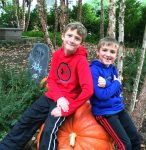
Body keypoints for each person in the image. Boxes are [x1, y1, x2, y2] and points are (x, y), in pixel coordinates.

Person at [0, 22, 93, 150]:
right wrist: (59, 97)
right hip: (52, 96)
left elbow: (88, 90)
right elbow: (51, 80)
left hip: (67, 102)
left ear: (81, 43)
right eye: (70, 35)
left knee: (48, 131)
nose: (72, 40)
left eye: (77, 38)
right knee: (26, 120)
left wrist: (67, 108)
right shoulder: (57, 55)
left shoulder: (81, 61)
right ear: (63, 36)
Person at [90, 37, 141, 150]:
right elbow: (101, 95)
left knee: (135, 140)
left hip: (119, 108)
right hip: (104, 113)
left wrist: (108, 83)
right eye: (105, 50)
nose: (108, 54)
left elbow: (118, 91)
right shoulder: (94, 70)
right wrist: (116, 83)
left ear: (116, 55)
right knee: (125, 145)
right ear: (98, 51)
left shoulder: (112, 69)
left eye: (112, 52)